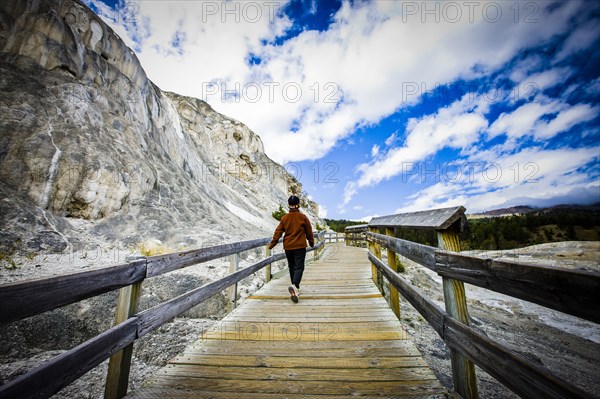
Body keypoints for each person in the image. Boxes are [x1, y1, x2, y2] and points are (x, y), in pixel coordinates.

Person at [268, 195, 314, 303]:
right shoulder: (303, 217)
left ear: (289, 205)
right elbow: (309, 231)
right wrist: (311, 243)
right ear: (298, 205)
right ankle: (295, 285)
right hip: (300, 246)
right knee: (299, 267)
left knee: (291, 267)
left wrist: (272, 244)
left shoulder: (284, 218)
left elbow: (278, 232)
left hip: (288, 247)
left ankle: (295, 288)